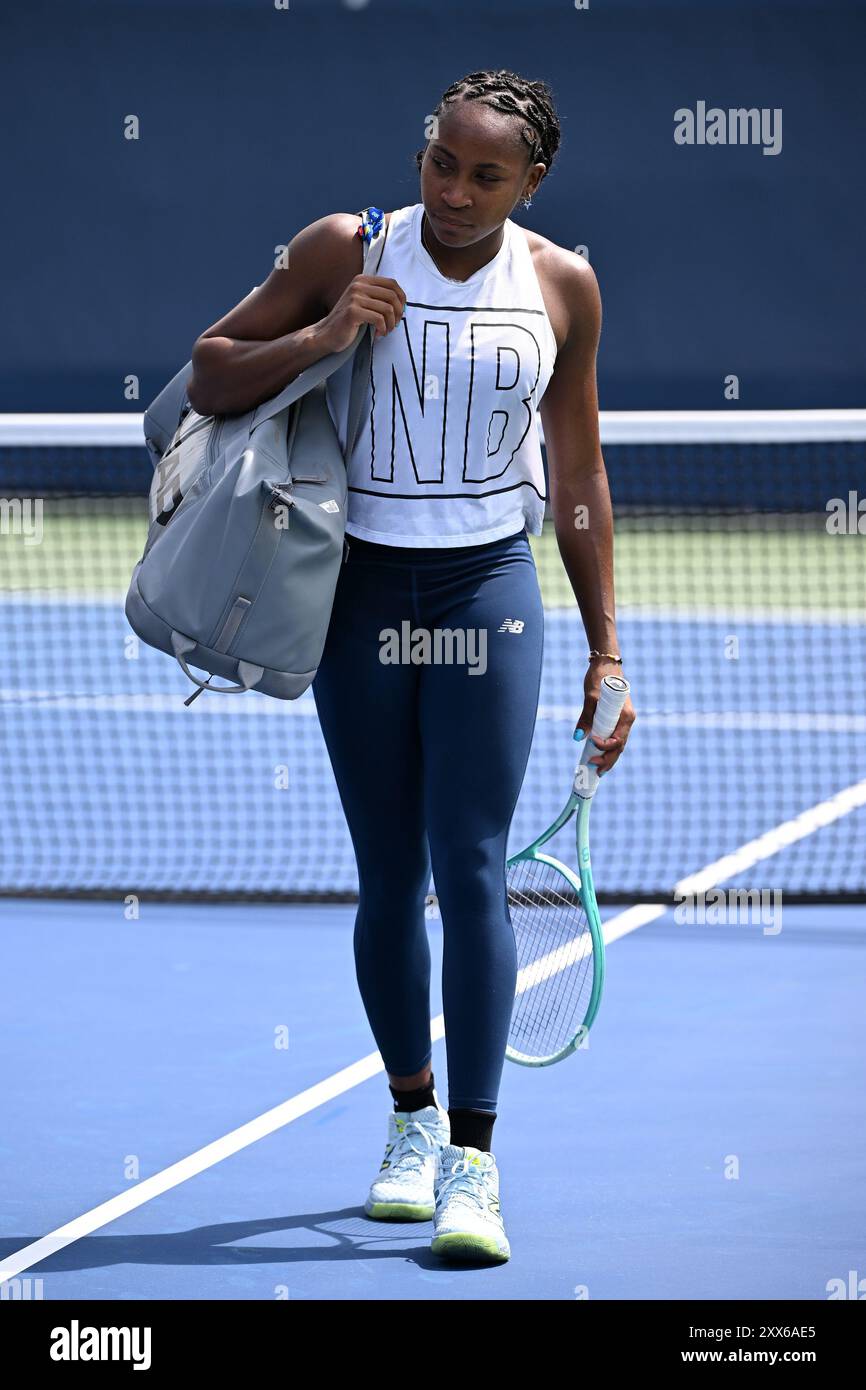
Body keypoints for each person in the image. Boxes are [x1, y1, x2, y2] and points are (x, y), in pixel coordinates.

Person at [187, 68, 635, 1265]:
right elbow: (211, 369)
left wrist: (605, 647)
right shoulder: (345, 246)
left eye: (485, 174)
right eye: (442, 160)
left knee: (471, 865)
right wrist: (327, 333)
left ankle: (474, 1168)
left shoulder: (560, 285)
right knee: (389, 873)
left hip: (488, 592)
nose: (452, 189)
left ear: (530, 182)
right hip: (360, 596)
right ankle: (408, 1121)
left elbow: (577, 473)